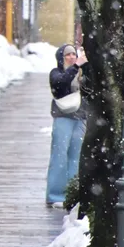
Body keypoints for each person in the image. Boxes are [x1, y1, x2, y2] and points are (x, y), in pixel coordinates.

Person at [46, 43, 88, 208]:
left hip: (81, 118)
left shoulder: (81, 74)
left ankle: (72, 193)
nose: (71, 58)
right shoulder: (56, 73)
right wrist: (76, 66)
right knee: (59, 156)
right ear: (60, 58)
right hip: (63, 118)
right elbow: (60, 85)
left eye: (73, 54)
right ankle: (55, 194)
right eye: (67, 55)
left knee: (75, 157)